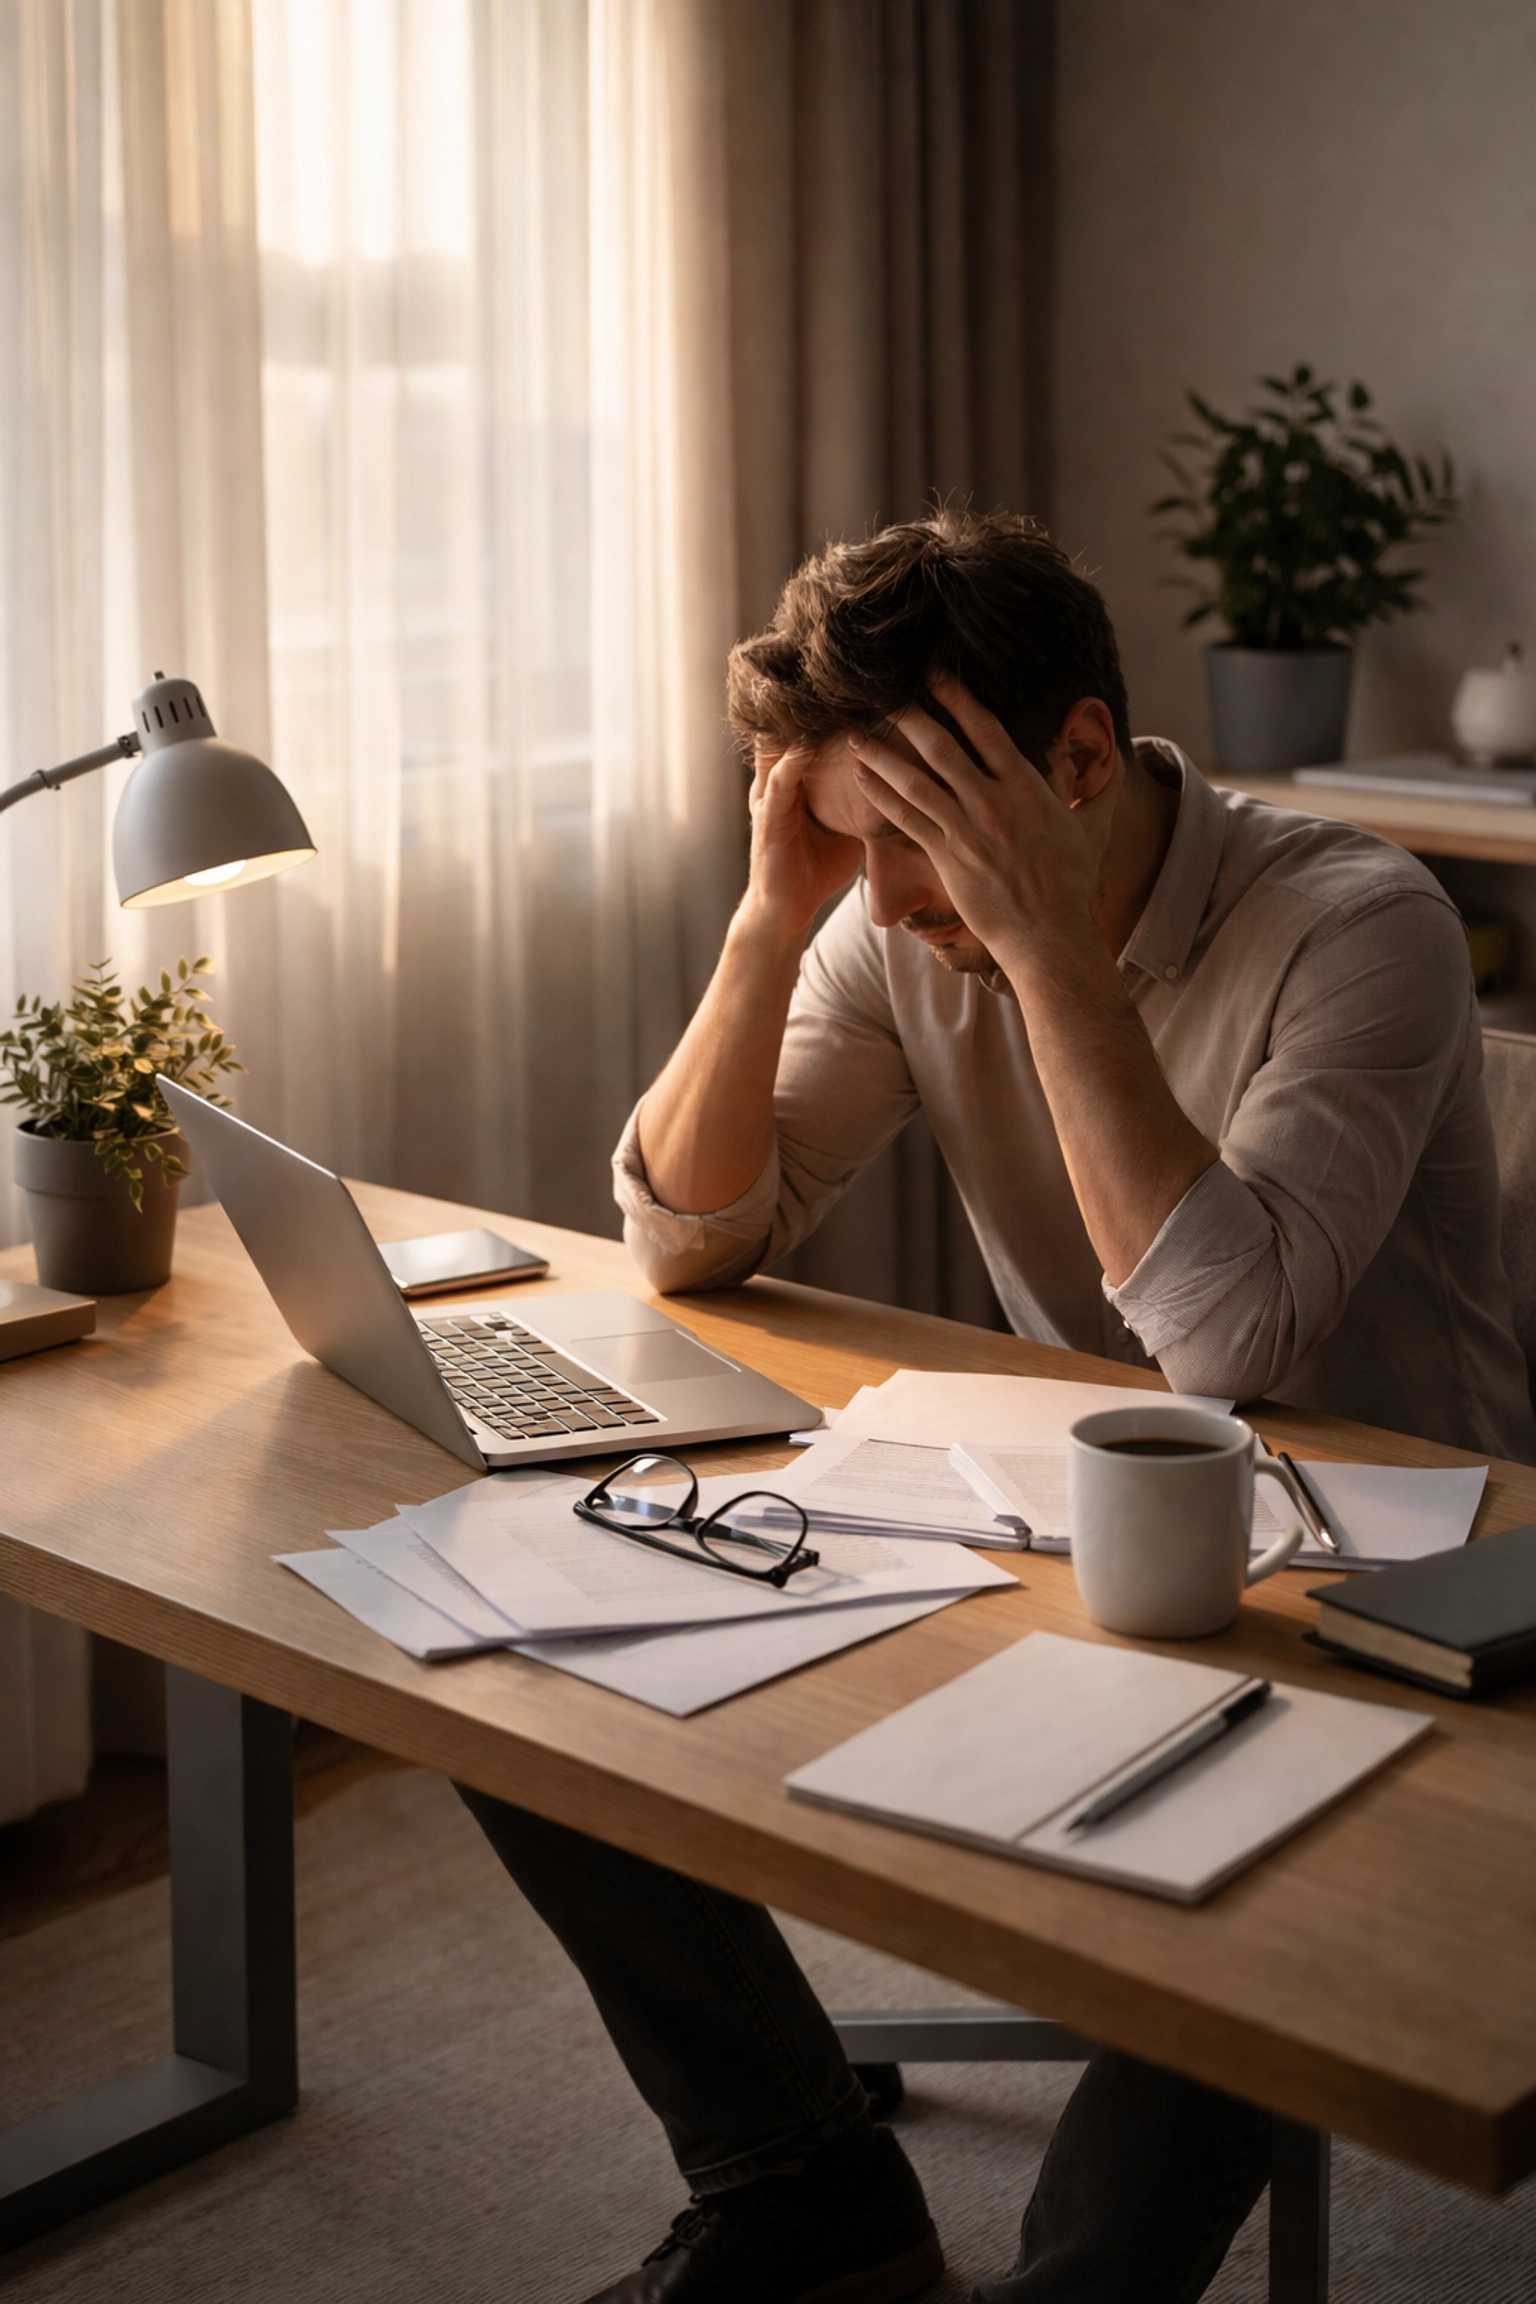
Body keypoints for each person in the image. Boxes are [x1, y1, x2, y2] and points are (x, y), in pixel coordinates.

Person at [460, 511, 1536, 2304]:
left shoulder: (1360, 922)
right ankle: (800, 2180)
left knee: (1109, 2216)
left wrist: (1051, 953)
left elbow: (1222, 1341)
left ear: (1084, 763)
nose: (880, 898)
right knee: (517, 1653)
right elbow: (689, 1229)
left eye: (916, 842)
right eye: (846, 843)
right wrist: (767, 914)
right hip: (1054, 1523)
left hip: (1384, 1606)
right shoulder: (885, 920)